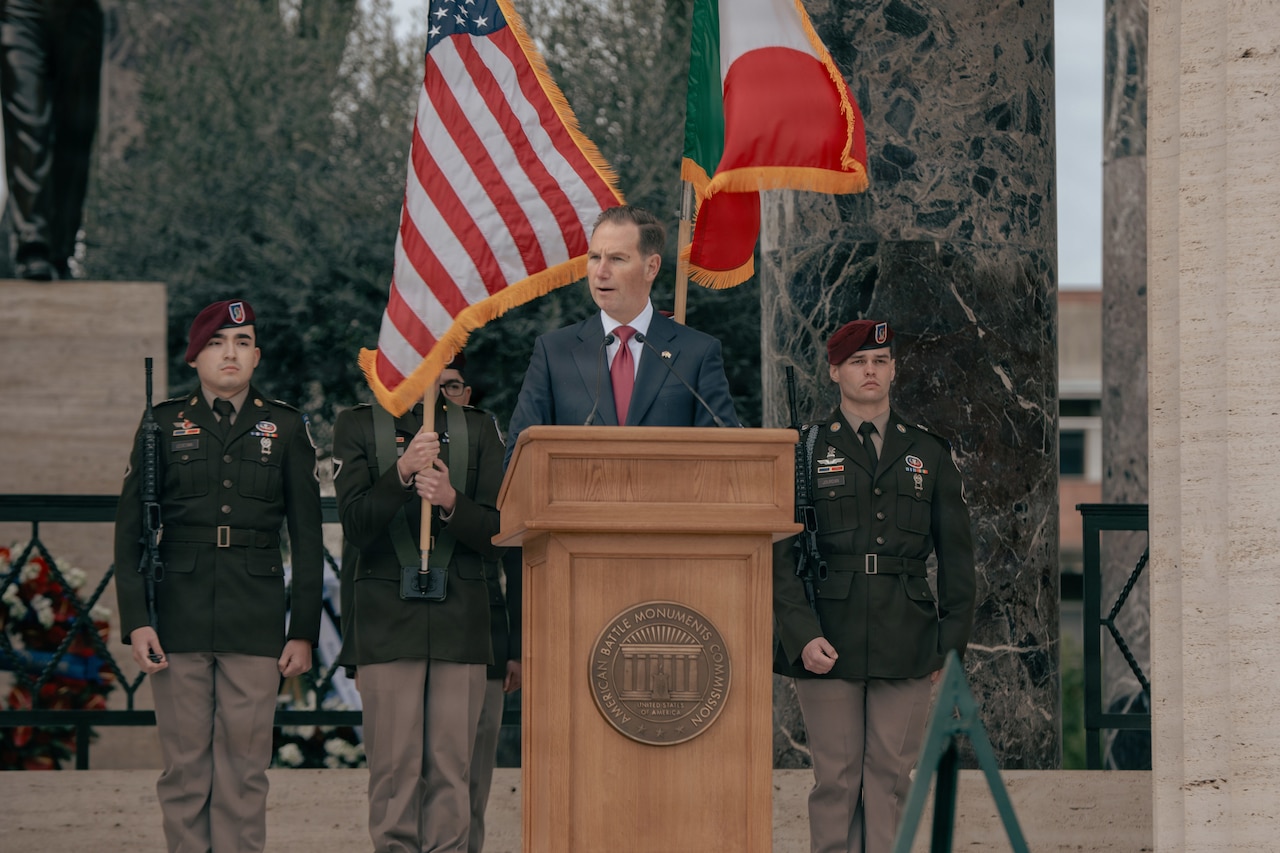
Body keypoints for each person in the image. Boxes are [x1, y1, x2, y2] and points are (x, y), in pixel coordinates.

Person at [113, 298, 324, 853]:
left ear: (257, 356)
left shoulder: (284, 426)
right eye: (216, 343)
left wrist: (301, 629)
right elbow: (131, 530)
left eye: (242, 342)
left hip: (254, 617)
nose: (230, 353)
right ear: (193, 357)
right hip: (177, 613)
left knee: (244, 771)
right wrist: (137, 621)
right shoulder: (161, 423)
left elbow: (307, 537)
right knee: (184, 772)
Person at [772, 319, 977, 853]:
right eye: (859, 362)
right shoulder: (805, 451)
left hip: (907, 634)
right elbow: (780, 555)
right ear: (835, 370)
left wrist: (948, 644)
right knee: (836, 781)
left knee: (889, 778)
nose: (870, 370)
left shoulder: (928, 453)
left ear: (893, 372)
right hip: (826, 633)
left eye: (881, 361)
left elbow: (957, 558)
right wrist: (799, 633)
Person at [333, 354, 507, 853]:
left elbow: (500, 532)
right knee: (393, 770)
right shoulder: (358, 424)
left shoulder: (477, 428)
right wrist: (402, 473)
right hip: (388, 624)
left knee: (454, 770)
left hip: (461, 623)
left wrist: (453, 501)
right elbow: (358, 527)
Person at [504, 204, 740, 465]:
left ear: (651, 267)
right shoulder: (553, 352)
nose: (601, 272)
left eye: (617, 259)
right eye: (595, 258)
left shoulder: (697, 353)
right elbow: (518, 461)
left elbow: (724, 460)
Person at [1, 0, 104, 279]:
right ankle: (32, 243)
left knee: (75, 135)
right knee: (28, 121)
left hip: (79, 15)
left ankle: (61, 249)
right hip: (19, 11)